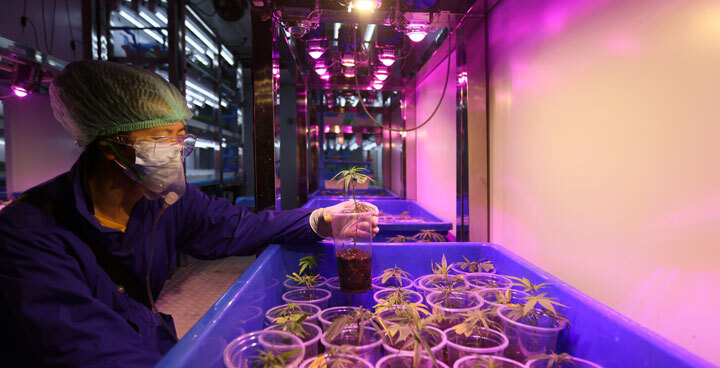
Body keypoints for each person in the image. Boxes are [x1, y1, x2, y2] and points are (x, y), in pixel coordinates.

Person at [0, 60, 378, 367]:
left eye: (182, 138)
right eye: (163, 140)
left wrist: (320, 220)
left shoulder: (164, 202)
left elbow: (238, 226)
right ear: (111, 149)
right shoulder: (27, 235)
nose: (177, 152)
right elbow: (86, 347)